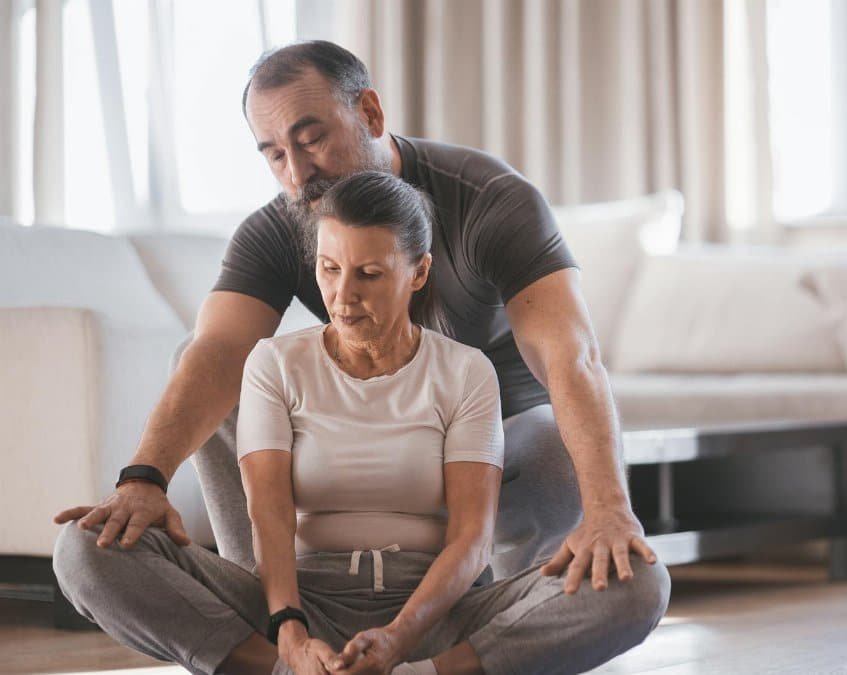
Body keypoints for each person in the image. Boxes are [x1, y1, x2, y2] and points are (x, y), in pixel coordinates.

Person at [54, 39, 660, 611]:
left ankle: (502, 623)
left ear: (370, 112)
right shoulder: (280, 225)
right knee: (210, 360)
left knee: (553, 449)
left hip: (501, 433)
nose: (297, 172)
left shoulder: (489, 199)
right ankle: (269, 615)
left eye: (311, 139)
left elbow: (570, 356)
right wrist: (144, 479)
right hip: (366, 431)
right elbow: (214, 351)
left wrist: (609, 508)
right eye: (273, 154)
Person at [53, 171, 669, 675]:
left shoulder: (466, 372)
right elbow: (267, 520)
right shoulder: (273, 363)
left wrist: (401, 643)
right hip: (303, 600)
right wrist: (291, 637)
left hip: (440, 613)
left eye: (369, 274)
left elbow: (471, 540)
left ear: (418, 273)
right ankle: (274, 671)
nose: (343, 296)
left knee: (640, 583)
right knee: (83, 550)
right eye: (328, 269)